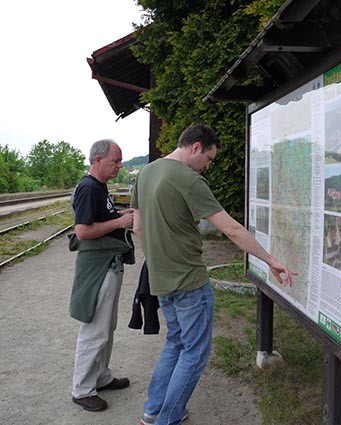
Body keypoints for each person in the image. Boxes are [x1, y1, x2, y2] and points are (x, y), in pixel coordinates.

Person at [131, 123, 295, 425]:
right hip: (190, 282)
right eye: (208, 158)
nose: (207, 166)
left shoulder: (145, 173)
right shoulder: (189, 180)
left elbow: (138, 228)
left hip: (160, 279)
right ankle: (168, 419)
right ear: (195, 147)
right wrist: (271, 260)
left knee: (176, 343)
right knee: (194, 353)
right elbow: (231, 229)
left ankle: (152, 411)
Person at [68, 139, 135, 412]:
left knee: (106, 327)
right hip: (98, 268)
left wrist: (118, 214)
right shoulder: (88, 188)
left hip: (108, 263)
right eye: (115, 161)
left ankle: (101, 376)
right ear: (98, 160)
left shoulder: (99, 186)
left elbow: (99, 217)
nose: (119, 166)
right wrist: (120, 222)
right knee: (95, 329)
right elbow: (83, 231)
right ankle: (82, 389)